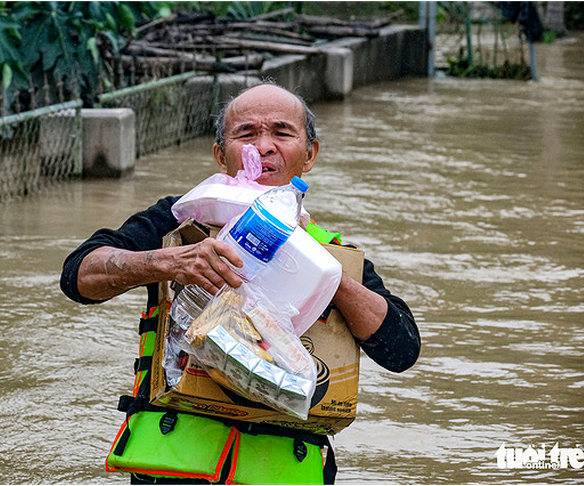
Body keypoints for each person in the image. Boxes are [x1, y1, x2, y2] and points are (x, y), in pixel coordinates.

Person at [60, 82, 421, 485]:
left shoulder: (334, 255)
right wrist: (168, 261)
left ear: (310, 155)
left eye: (282, 133)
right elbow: (78, 276)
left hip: (282, 469)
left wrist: (327, 279)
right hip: (176, 469)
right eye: (246, 134)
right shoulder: (182, 222)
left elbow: (402, 350)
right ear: (221, 156)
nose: (264, 146)